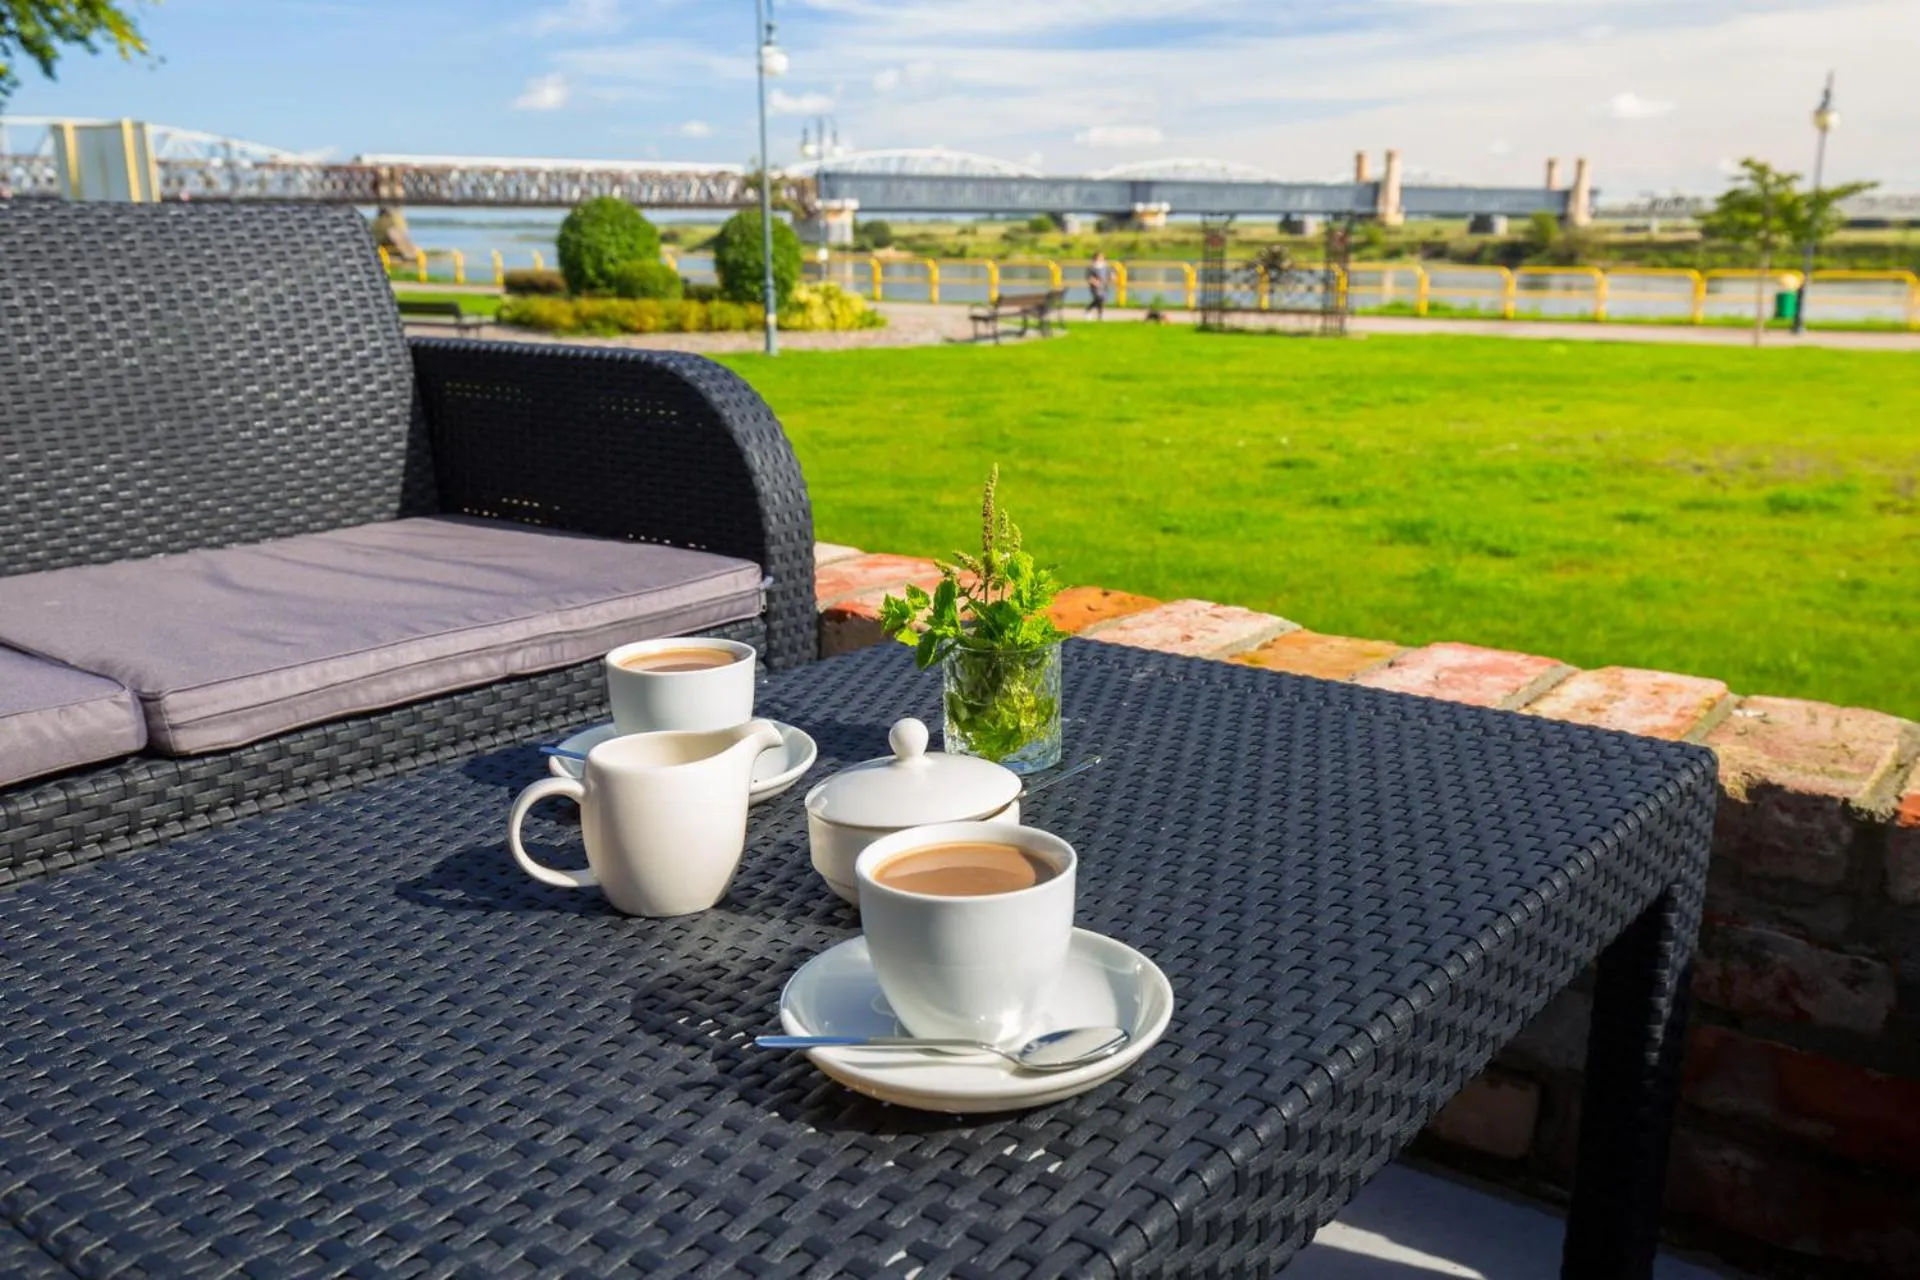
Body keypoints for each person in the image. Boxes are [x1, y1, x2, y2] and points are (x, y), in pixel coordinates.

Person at [1085, 251, 1110, 320]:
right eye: (1099, 257)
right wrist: (1094, 281)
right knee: (1098, 299)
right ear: (1095, 257)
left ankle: (1090, 311)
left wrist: (1112, 277)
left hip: (1104, 286)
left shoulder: (1105, 266)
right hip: (1095, 286)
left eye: (1102, 257)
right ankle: (1099, 314)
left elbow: (1108, 274)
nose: (1101, 258)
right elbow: (1088, 276)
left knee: (1101, 300)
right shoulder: (1092, 266)